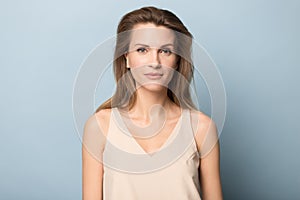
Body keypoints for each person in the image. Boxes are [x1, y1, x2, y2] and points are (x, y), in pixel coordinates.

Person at [82, 6, 223, 200]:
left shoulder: (202, 128)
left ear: (176, 60)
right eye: (142, 50)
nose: (154, 62)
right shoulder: (99, 126)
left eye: (165, 51)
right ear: (127, 58)